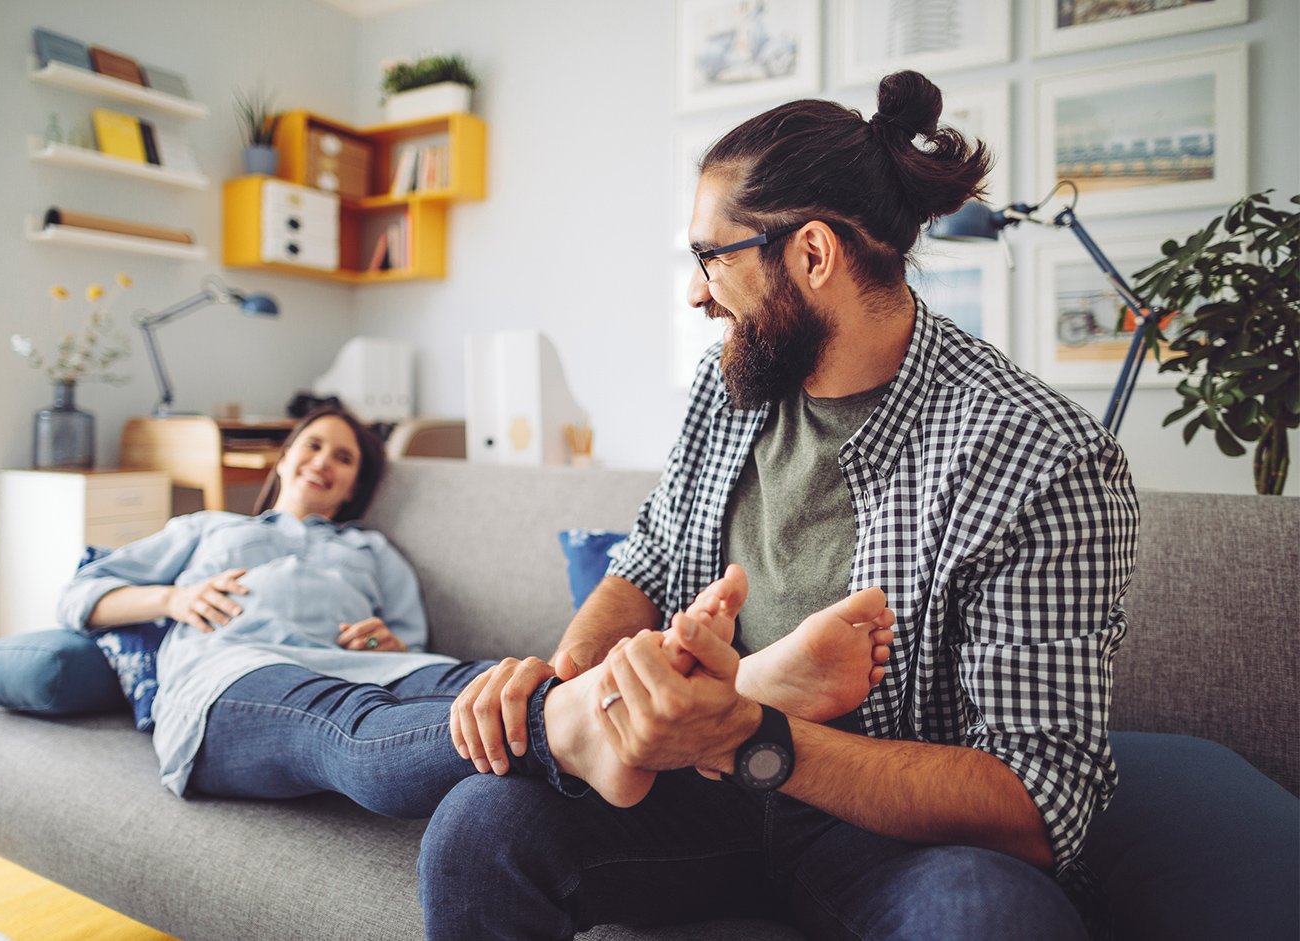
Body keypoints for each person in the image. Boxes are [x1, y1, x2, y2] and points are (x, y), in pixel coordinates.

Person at [434, 71, 1139, 940]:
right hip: (699, 802)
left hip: (882, 832)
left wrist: (746, 730)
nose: (696, 292)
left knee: (988, 917)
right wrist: (582, 685)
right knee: (479, 826)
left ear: (812, 254)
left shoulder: (1041, 453)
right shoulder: (726, 388)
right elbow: (646, 565)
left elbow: (1037, 802)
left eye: (711, 257)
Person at [57, 405, 895, 817]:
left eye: (343, 457)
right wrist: (174, 597)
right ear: (286, 458)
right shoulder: (208, 528)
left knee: (472, 683)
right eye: (313, 444)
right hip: (238, 675)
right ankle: (627, 716)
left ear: (356, 484)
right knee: (343, 723)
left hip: (383, 666)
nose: (324, 460)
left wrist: (386, 638)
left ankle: (719, 704)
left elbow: (414, 645)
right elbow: (80, 595)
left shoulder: (371, 553)